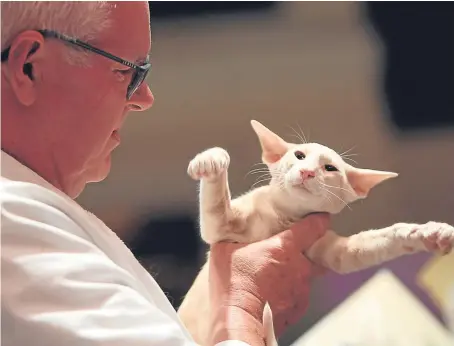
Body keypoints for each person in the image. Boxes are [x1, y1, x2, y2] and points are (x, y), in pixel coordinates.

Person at [0, 2, 330, 346]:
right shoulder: (10, 218)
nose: (144, 98)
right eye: (129, 72)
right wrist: (243, 307)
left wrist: (216, 306)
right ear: (29, 67)